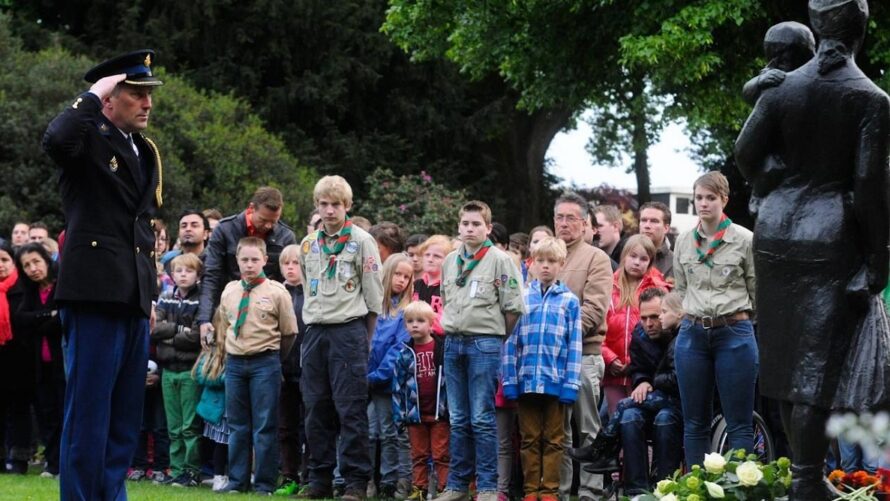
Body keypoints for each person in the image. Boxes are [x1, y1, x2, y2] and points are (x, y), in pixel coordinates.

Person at [736, 2, 889, 498]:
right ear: (862, 27)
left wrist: (775, 182)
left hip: (777, 232)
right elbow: (867, 184)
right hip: (831, 238)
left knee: (786, 364)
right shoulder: (869, 98)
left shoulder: (784, 86)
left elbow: (745, 152)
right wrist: (878, 257)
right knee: (815, 368)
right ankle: (805, 479)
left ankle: (804, 473)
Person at [42, 49, 164, 500]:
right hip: (93, 292)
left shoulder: (143, 150)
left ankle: (111, 495)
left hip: (131, 295)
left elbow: (142, 229)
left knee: (122, 418)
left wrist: (148, 297)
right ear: (111, 98)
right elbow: (56, 140)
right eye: (136, 93)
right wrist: (92, 95)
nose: (147, 103)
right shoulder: (87, 137)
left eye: (149, 94)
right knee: (89, 413)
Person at [298, 175, 384, 501]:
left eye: (336, 204)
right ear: (317, 206)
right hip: (316, 330)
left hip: (349, 330)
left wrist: (366, 337)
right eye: (324, 204)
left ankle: (354, 483)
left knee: (350, 409)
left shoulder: (362, 241)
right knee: (315, 408)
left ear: (347, 206)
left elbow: (374, 295)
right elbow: (308, 286)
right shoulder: (308, 244)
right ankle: (318, 480)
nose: (329, 210)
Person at [434, 200, 525, 501]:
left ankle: (487, 487)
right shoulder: (450, 261)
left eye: (476, 224)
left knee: (482, 418)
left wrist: (496, 337)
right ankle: (458, 485)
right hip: (453, 341)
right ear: (458, 227)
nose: (470, 229)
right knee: (457, 418)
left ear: (488, 227)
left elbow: (513, 308)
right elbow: (446, 299)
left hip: (484, 342)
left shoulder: (501, 260)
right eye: (465, 224)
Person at [672, 171, 757, 468]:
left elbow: (755, 287)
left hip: (734, 332)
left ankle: (741, 489)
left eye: (710, 198)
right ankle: (699, 489)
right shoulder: (683, 241)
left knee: (739, 423)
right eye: (699, 198)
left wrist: (738, 316)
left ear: (724, 200)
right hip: (692, 334)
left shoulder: (745, 239)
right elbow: (681, 288)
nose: (703, 204)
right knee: (694, 422)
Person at [576, 289, 683, 497]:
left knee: (659, 416)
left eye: (655, 316)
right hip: (654, 397)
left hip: (676, 400)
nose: (649, 323)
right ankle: (636, 491)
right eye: (644, 318)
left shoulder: (680, 336)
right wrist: (642, 381)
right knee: (630, 416)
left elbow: (678, 378)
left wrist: (651, 383)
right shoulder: (640, 335)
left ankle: (664, 486)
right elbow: (638, 368)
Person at [502, 236, 582, 501]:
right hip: (526, 381)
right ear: (532, 264)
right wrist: (509, 381)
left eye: (551, 261)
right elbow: (510, 342)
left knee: (554, 439)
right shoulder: (522, 298)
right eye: (540, 261)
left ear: (561, 264)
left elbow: (574, 347)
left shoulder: (569, 302)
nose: (545, 266)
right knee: (529, 438)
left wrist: (571, 385)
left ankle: (548, 491)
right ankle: (530, 490)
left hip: (556, 382)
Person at [216, 237, 298, 494]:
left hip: (266, 361)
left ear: (265, 260)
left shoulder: (277, 292)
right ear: (237, 261)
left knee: (265, 425)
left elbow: (289, 333)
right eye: (244, 260)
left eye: (255, 260)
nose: (249, 265)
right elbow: (225, 325)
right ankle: (237, 481)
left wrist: (274, 358)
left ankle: (264, 483)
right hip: (235, 363)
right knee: (238, 425)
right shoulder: (229, 291)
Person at [552, 193, 613, 501]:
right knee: (557, 429)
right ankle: (561, 491)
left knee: (588, 428)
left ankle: (590, 490)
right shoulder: (546, 255)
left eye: (571, 218)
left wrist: (556, 335)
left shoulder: (595, 258)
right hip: (550, 360)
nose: (564, 223)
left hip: (584, 354)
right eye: (559, 217)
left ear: (585, 222)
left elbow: (594, 309)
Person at [198, 186, 297, 346]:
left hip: (266, 317)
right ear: (251, 208)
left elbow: (288, 284)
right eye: (263, 220)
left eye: (274, 220)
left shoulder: (285, 236)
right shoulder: (224, 230)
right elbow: (211, 276)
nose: (269, 226)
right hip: (227, 311)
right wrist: (204, 319)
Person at [150, 253, 204, 487]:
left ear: (198, 274)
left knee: (189, 426)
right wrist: (178, 331)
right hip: (167, 370)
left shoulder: (201, 301)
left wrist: (170, 336)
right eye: (179, 271)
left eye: (189, 271)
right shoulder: (164, 298)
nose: (183, 275)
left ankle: (191, 471)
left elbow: (195, 337)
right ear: (172, 275)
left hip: (189, 370)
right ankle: (177, 469)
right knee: (173, 426)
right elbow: (155, 329)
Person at [602, 235, 670, 415]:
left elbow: (664, 332)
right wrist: (609, 358)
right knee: (615, 415)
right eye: (633, 256)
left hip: (643, 370)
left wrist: (636, 362)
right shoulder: (607, 286)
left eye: (644, 259)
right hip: (613, 370)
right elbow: (597, 328)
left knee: (639, 419)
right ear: (624, 256)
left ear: (650, 262)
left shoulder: (658, 289)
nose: (637, 262)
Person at [12, 243, 65, 478]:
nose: (33, 268)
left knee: (66, 414)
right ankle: (52, 463)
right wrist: (46, 316)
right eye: (26, 265)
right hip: (40, 366)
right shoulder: (31, 293)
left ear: (46, 260)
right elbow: (21, 320)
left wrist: (39, 322)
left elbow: (62, 320)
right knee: (48, 417)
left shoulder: (62, 286)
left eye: (36, 262)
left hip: (63, 364)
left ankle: (67, 463)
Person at [367, 254, 415, 499]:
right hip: (366, 380)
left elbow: (397, 349)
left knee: (389, 432)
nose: (401, 280)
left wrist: (375, 376)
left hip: (386, 383)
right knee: (369, 431)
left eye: (407, 277)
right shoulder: (373, 306)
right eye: (398, 274)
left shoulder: (404, 312)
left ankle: (389, 480)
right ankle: (367, 480)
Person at [392, 301, 449, 501]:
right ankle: (420, 490)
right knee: (418, 455)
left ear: (431, 323)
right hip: (414, 414)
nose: (414, 325)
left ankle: (444, 489)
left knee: (442, 454)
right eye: (410, 321)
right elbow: (397, 386)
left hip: (439, 412)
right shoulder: (404, 353)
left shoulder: (442, 348)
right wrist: (399, 415)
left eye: (420, 321)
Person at [276, 244, 309, 496]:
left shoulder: (313, 293)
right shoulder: (277, 292)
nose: (290, 268)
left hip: (309, 371)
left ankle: (309, 475)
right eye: (286, 263)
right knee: (286, 426)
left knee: (311, 426)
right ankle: (288, 475)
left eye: (296, 263)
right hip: (283, 371)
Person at [0, 240, 29, 475]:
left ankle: (19, 458)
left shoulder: (23, 287)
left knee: (19, 410)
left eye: (4, 260)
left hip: (21, 358)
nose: (0, 265)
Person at [193, 309, 230, 492]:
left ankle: (235, 475)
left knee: (237, 442)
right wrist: (228, 378)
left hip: (235, 405)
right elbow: (201, 375)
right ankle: (217, 475)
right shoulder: (211, 341)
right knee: (220, 443)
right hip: (219, 407)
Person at [413, 235, 450, 336]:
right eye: (427, 255)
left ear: (448, 260)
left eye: (437, 256)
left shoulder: (449, 287)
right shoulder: (414, 285)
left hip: (439, 344)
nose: (430, 259)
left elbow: (445, 323)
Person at [638, 202, 674, 280]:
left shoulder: (675, 263)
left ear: (666, 228)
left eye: (654, 221)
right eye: (643, 220)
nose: (647, 225)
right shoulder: (625, 255)